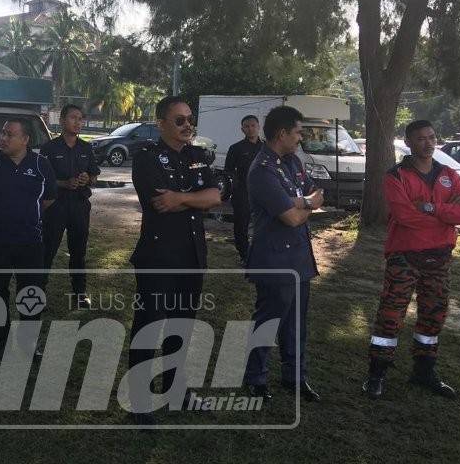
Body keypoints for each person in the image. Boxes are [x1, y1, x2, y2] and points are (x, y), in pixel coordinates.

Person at [363, 120, 460, 399]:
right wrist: (445, 217)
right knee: (391, 315)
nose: (428, 143)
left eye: (432, 137)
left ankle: (424, 371)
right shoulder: (395, 176)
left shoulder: (449, 174)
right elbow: (404, 216)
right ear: (409, 142)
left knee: (433, 315)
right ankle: (376, 374)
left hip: (439, 259)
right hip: (405, 257)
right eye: (421, 139)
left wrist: (431, 208)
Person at [127, 96, 221, 425]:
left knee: (182, 325)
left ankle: (175, 390)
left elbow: (214, 197)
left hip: (192, 255)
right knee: (149, 326)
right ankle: (139, 399)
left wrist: (182, 197)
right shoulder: (146, 158)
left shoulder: (197, 156)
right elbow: (159, 204)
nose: (188, 125)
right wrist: (195, 200)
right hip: (158, 255)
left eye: (190, 119)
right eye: (179, 120)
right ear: (161, 124)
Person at [243, 105, 324, 403]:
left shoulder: (291, 162)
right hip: (274, 259)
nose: (301, 138)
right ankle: (255, 378)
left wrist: (300, 202)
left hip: (299, 258)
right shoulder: (262, 169)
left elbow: (316, 194)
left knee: (297, 323)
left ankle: (295, 377)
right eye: (298, 132)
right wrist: (307, 204)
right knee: (268, 322)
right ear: (282, 133)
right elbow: (291, 217)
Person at [0, 118, 57, 359]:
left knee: (31, 293)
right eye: (3, 133)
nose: (2, 138)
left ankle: (29, 342)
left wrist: (25, 213)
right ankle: (0, 340)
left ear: (25, 139)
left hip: (31, 242)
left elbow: (48, 199)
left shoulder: (41, 164)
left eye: (10, 134)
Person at [41, 104, 101, 308]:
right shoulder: (49, 148)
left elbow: (94, 175)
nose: (78, 122)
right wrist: (63, 183)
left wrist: (87, 179)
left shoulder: (86, 148)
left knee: (79, 251)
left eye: (81, 118)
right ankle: (37, 291)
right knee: (47, 250)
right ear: (62, 121)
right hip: (55, 206)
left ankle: (79, 294)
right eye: (73, 118)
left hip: (79, 206)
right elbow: (42, 179)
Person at [223, 114, 263, 264]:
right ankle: (244, 255)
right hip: (242, 193)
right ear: (242, 129)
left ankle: (261, 253)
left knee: (263, 224)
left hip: (263, 193)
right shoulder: (236, 148)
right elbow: (228, 171)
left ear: (258, 127)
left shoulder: (266, 148)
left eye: (253, 125)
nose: (250, 128)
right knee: (241, 225)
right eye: (247, 126)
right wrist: (235, 187)